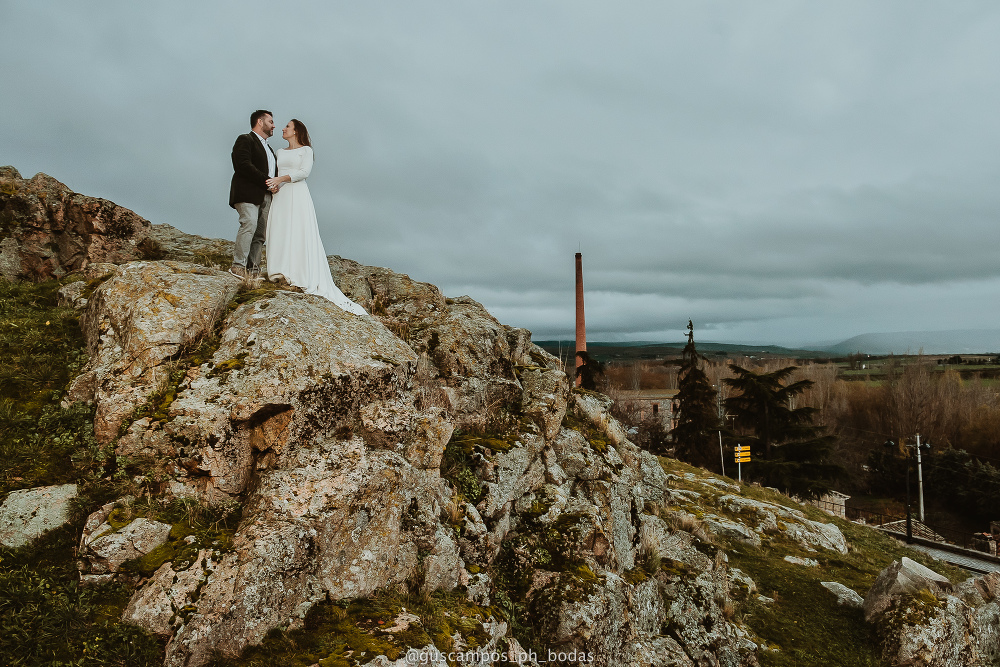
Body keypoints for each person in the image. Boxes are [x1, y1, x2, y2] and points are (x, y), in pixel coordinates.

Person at [264, 119, 368, 315]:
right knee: (280, 229)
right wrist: (276, 184)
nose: (283, 129)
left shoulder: (306, 151)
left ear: (296, 132)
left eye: (288, 127)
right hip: (282, 194)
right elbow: (276, 172)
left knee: (299, 231)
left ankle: (298, 273)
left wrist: (281, 179)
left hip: (298, 193)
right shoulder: (279, 151)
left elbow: (304, 172)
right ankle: (279, 271)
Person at [229, 110, 277, 277]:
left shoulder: (270, 149)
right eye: (270, 121)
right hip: (248, 192)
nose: (274, 125)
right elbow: (242, 165)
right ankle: (237, 266)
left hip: (267, 196)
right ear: (259, 121)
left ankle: (253, 271)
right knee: (249, 223)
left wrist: (275, 184)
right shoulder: (245, 139)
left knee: (260, 234)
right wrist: (267, 181)